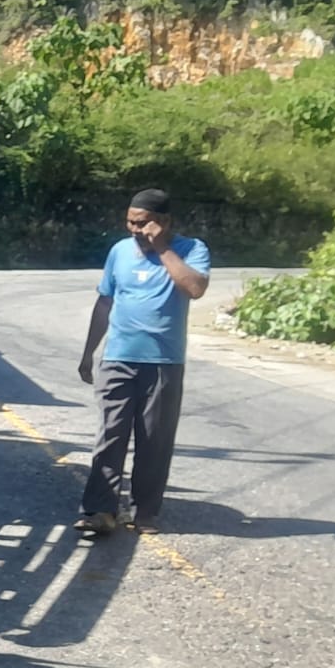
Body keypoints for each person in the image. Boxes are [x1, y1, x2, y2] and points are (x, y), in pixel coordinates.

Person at [75, 189, 210, 534]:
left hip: (163, 362)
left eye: (142, 223)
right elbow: (105, 302)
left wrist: (162, 248)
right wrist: (89, 352)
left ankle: (145, 512)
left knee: (154, 440)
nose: (134, 229)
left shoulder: (191, 250)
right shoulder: (119, 251)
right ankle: (100, 511)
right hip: (118, 357)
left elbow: (195, 288)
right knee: (110, 436)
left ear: (164, 222)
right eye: (129, 222)